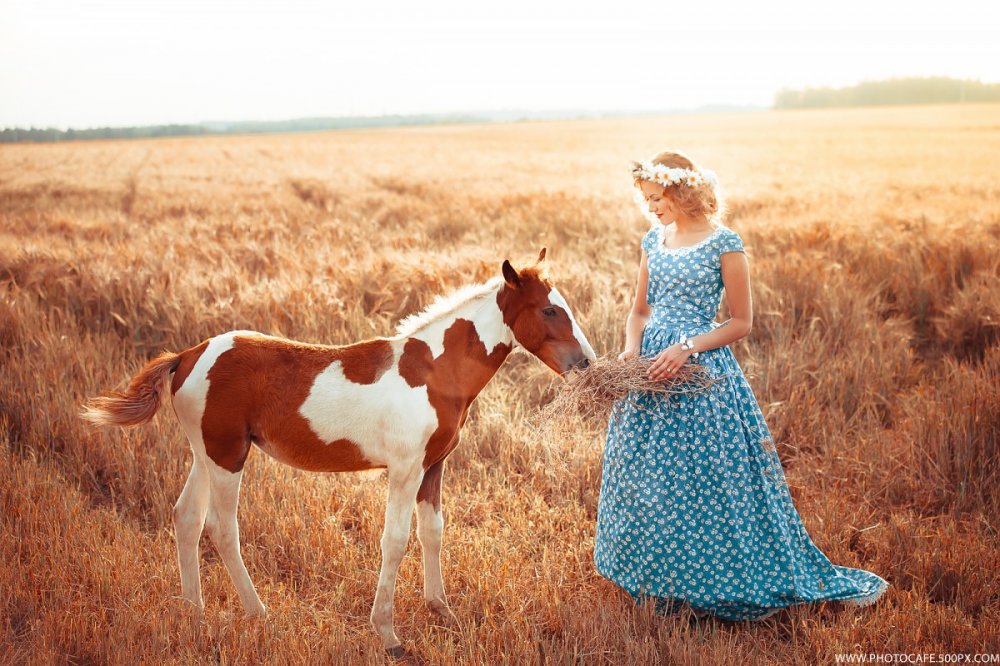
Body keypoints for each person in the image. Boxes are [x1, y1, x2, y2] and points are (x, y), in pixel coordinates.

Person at [593, 150, 888, 620]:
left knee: (704, 482)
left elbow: (741, 322)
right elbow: (640, 311)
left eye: (657, 198)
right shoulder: (653, 240)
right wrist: (631, 352)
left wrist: (686, 346)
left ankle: (714, 583)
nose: (651, 208)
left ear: (681, 190)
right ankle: (660, 583)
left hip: (699, 372)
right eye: (646, 200)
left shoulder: (724, 243)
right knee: (649, 480)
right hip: (649, 372)